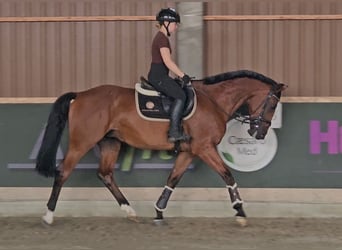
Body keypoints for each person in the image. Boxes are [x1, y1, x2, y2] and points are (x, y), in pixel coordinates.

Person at [147, 7, 191, 142]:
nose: (176, 27)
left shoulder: (161, 38)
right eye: (174, 24)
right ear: (166, 23)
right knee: (181, 96)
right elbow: (167, 61)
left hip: (160, 76)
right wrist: (183, 75)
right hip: (159, 77)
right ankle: (174, 132)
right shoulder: (162, 39)